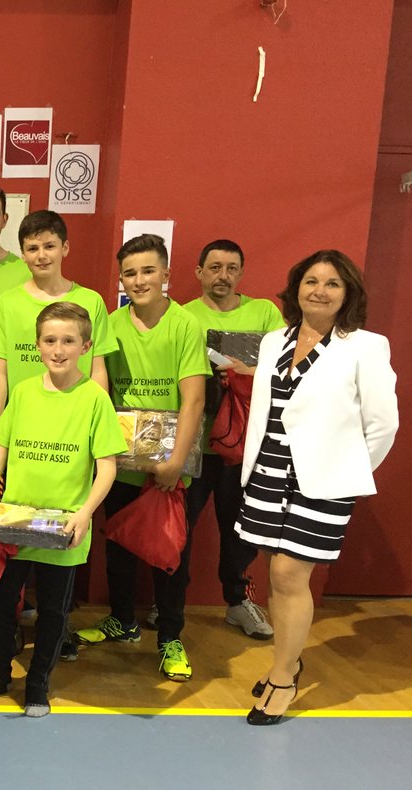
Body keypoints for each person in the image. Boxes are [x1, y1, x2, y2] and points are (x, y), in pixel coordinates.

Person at [236, 250, 397, 724]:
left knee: (290, 576)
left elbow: (383, 424)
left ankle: (283, 679)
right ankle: (286, 661)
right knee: (274, 574)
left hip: (323, 484)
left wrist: (345, 475)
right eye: (311, 281)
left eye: (332, 283)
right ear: (296, 287)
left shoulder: (366, 346)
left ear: (348, 293)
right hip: (268, 472)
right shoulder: (273, 342)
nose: (319, 291)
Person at [0, 303, 124, 714]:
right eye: (50, 340)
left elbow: (107, 466)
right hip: (14, 522)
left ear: (86, 346)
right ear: (37, 345)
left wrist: (84, 512)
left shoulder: (94, 399)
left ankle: (37, 683)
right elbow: (0, 447)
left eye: (68, 341)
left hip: (63, 526)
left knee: (53, 611)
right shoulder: (23, 392)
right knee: (2, 605)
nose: (58, 349)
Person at [75, 234, 209, 681]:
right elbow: (101, 389)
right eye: (130, 273)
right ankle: (122, 620)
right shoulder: (110, 323)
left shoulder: (186, 325)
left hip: (170, 464)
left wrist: (174, 460)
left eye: (148, 271)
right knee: (119, 547)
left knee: (171, 556)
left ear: (167, 274)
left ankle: (170, 636)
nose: (139, 280)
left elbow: (193, 401)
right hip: (122, 458)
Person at [167, 239, 285, 638]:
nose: (223, 275)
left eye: (231, 268)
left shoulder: (265, 312)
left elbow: (286, 368)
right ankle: (170, 605)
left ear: (242, 272)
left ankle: (237, 601)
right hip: (195, 444)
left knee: (241, 528)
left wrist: (245, 371)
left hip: (245, 447)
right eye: (214, 267)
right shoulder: (182, 316)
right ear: (199, 272)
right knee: (179, 529)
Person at [0, 210, 113, 427]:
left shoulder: (91, 301)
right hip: (22, 420)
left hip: (75, 420)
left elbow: (97, 369)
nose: (41, 256)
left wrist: (96, 422)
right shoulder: (6, 303)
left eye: (49, 246)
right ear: (23, 254)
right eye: (33, 248)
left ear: (65, 248)